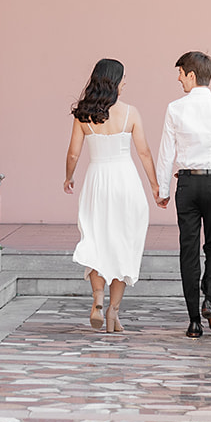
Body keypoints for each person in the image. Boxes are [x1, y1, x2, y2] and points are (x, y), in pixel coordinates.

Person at [64, 58, 160, 333]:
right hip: (125, 181)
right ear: (115, 82)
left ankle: (97, 299)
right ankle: (113, 312)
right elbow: (144, 152)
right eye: (123, 78)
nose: (125, 82)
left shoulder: (83, 114)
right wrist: (154, 185)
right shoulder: (130, 113)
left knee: (96, 239)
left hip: (97, 180)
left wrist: (68, 177)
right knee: (124, 243)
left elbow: (73, 153)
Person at [155, 50, 211, 338]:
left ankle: (194, 321)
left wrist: (162, 188)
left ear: (191, 75)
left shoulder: (175, 108)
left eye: (180, 74)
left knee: (188, 250)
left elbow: (166, 153)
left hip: (188, 186)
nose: (178, 79)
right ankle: (209, 300)